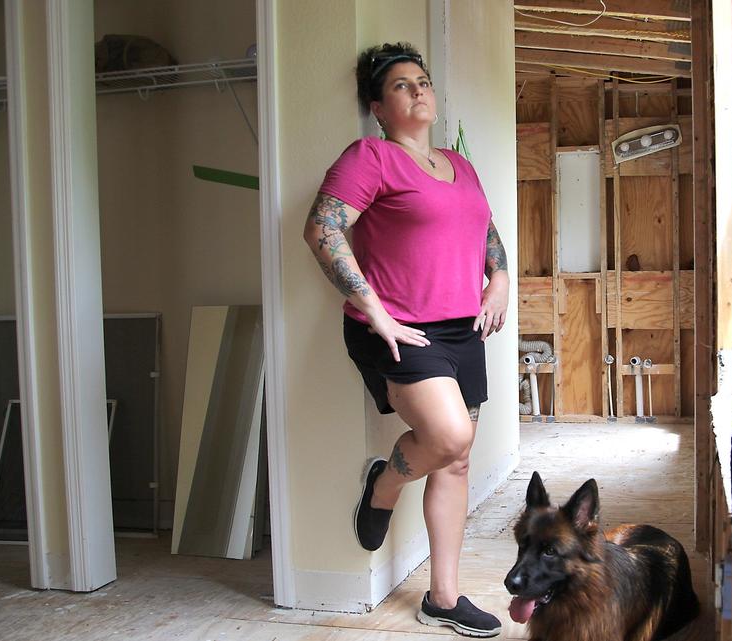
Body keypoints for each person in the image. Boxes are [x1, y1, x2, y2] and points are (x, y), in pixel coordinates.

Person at [303, 42, 509, 638]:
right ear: (378, 107)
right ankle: (385, 482)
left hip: (461, 327)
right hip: (398, 327)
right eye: (401, 85)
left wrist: (498, 280)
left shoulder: (459, 166)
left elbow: (485, 233)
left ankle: (443, 598)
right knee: (448, 436)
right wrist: (374, 309)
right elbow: (322, 228)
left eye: (423, 81)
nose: (419, 90)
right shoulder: (371, 157)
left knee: (457, 455)